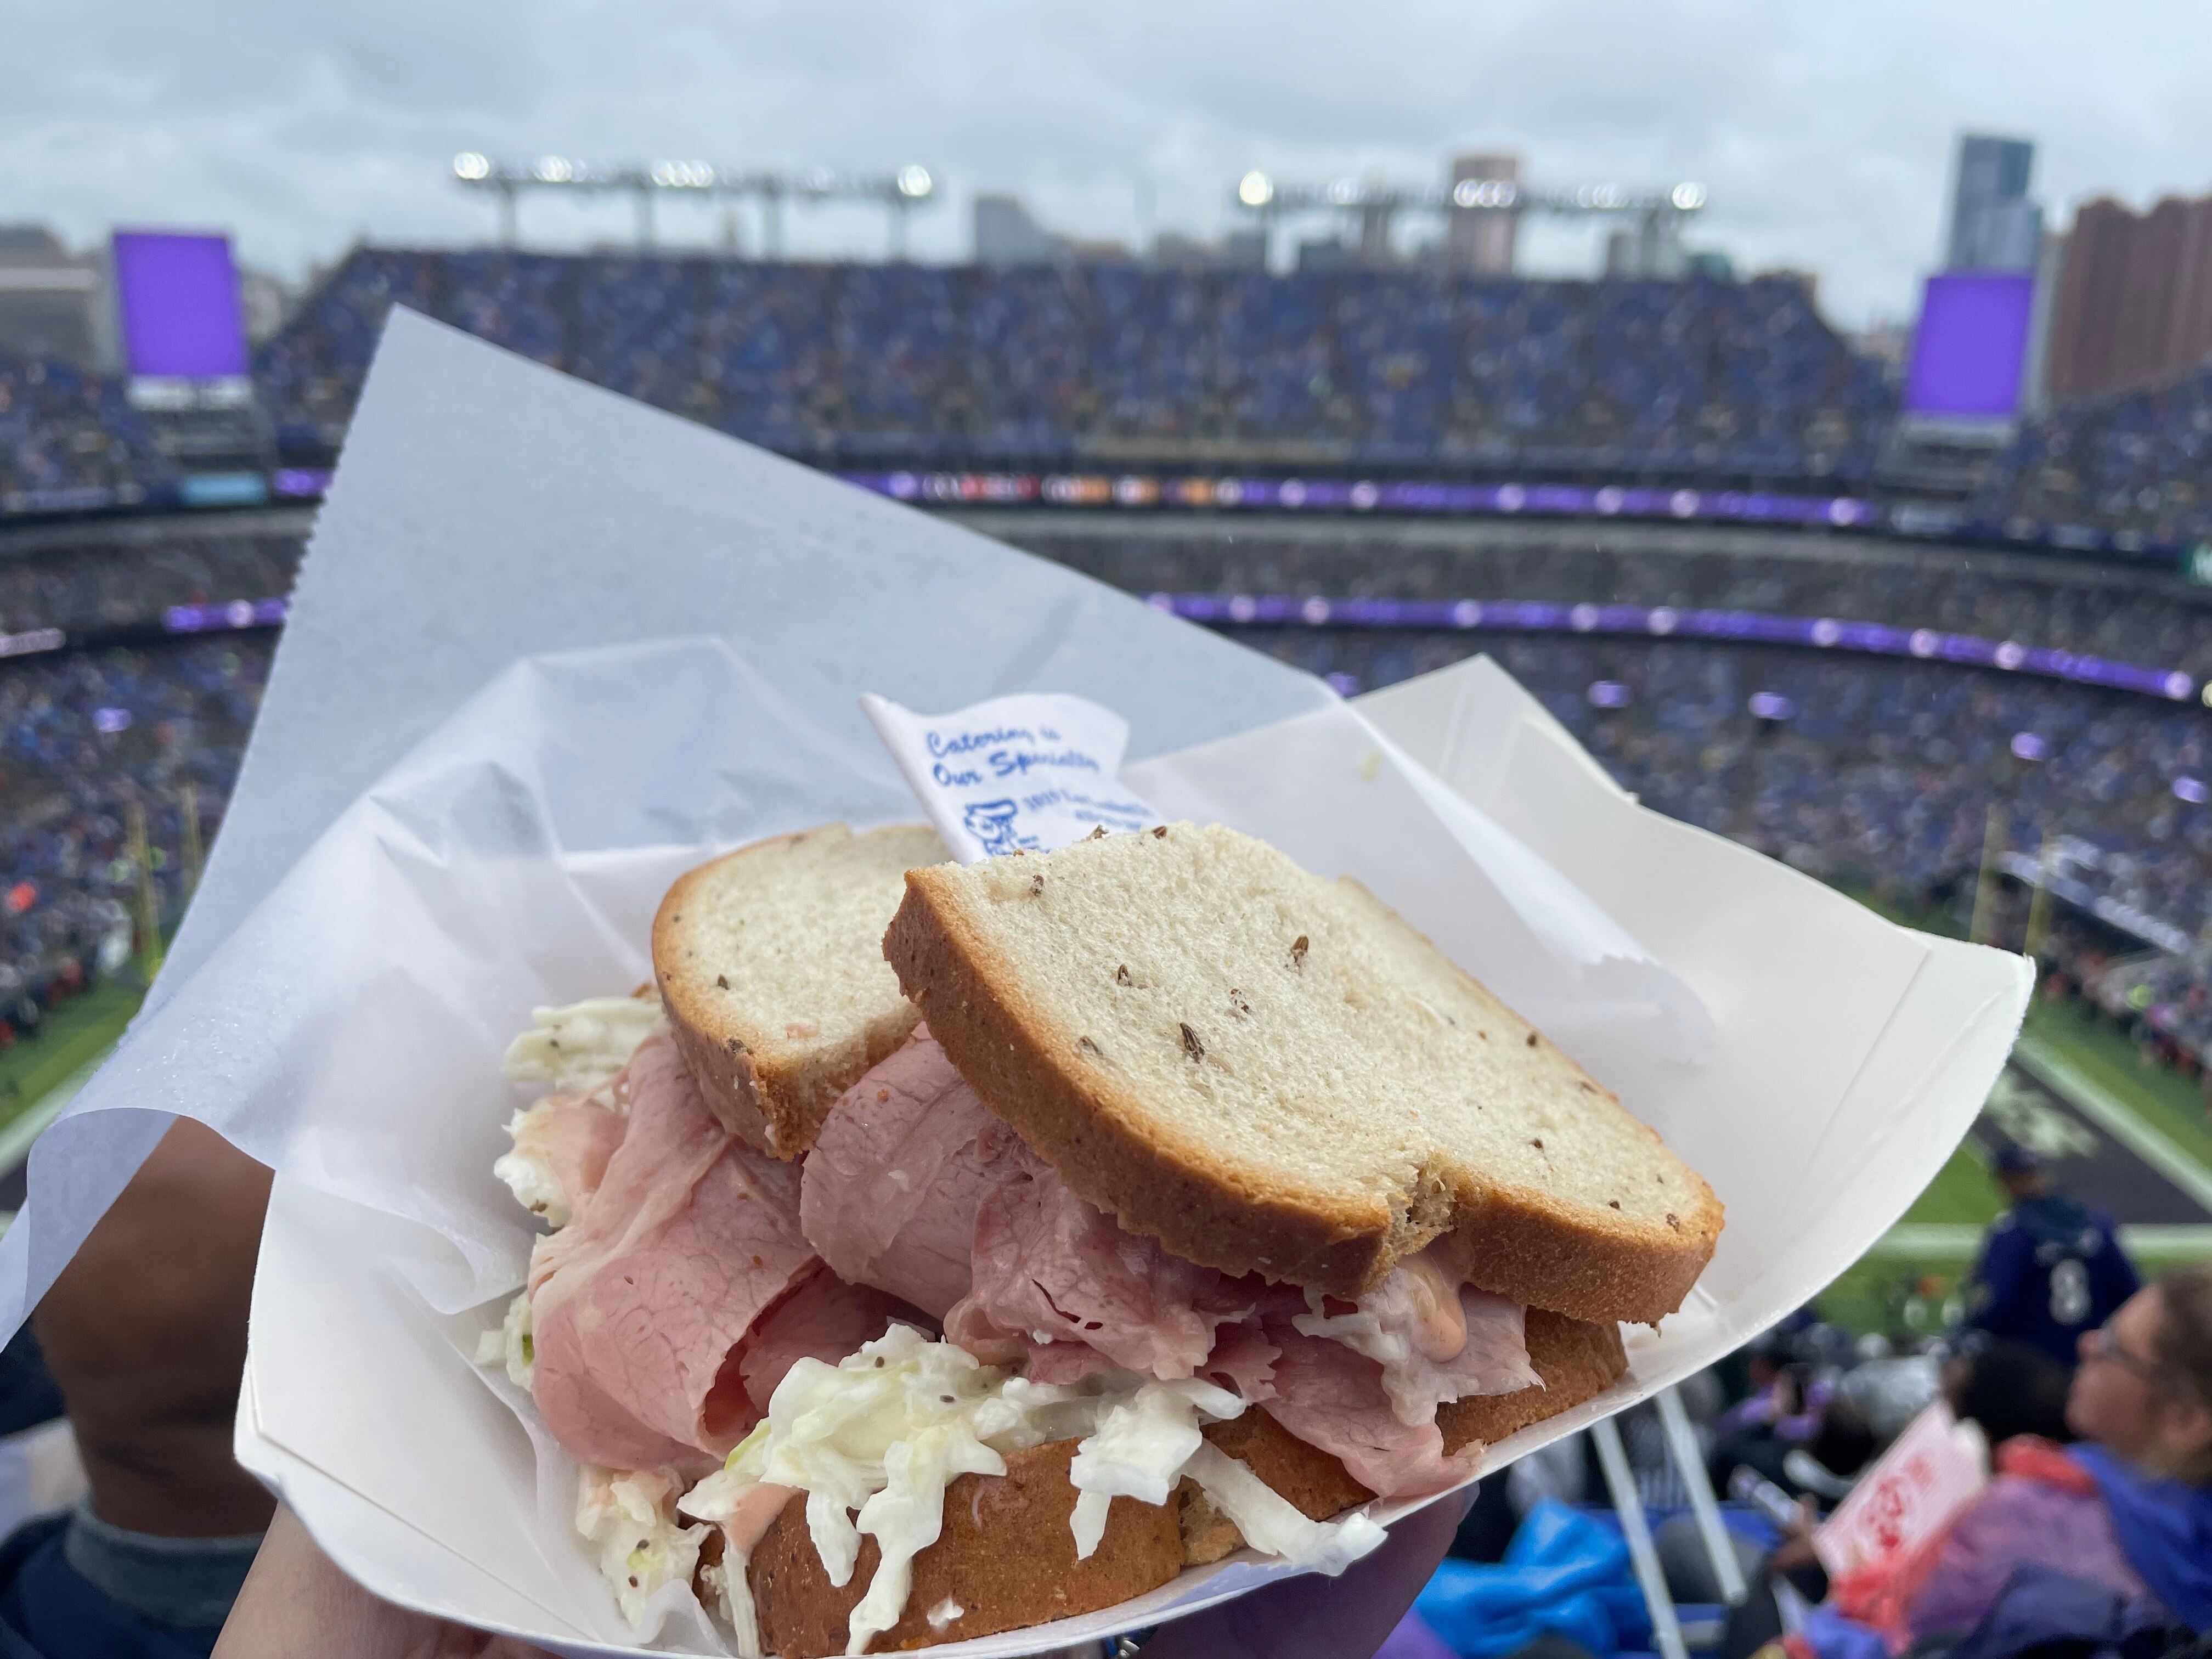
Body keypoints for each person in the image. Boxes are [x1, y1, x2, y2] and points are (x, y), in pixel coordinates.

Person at [1806, 1265, 2212, 1657]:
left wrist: (1847, 1591)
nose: (2087, 1344)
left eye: (2113, 1344)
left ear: (2185, 1417)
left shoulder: (2040, 1510)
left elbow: (1903, 1639)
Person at [1965, 1142, 2138, 1370]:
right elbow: (2130, 1293)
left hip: (2032, 1371)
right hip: (2089, 1363)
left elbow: (1992, 1306)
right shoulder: (2096, 1222)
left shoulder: (2012, 1234)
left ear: (2005, 1181)